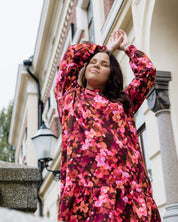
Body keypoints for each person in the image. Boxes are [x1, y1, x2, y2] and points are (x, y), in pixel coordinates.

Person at [55, 29, 161, 222]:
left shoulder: (123, 102)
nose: (96, 65)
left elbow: (147, 73)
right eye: (93, 62)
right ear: (85, 69)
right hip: (86, 195)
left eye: (104, 64)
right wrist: (106, 49)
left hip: (128, 193)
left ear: (112, 73)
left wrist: (126, 48)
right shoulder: (69, 96)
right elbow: (72, 55)